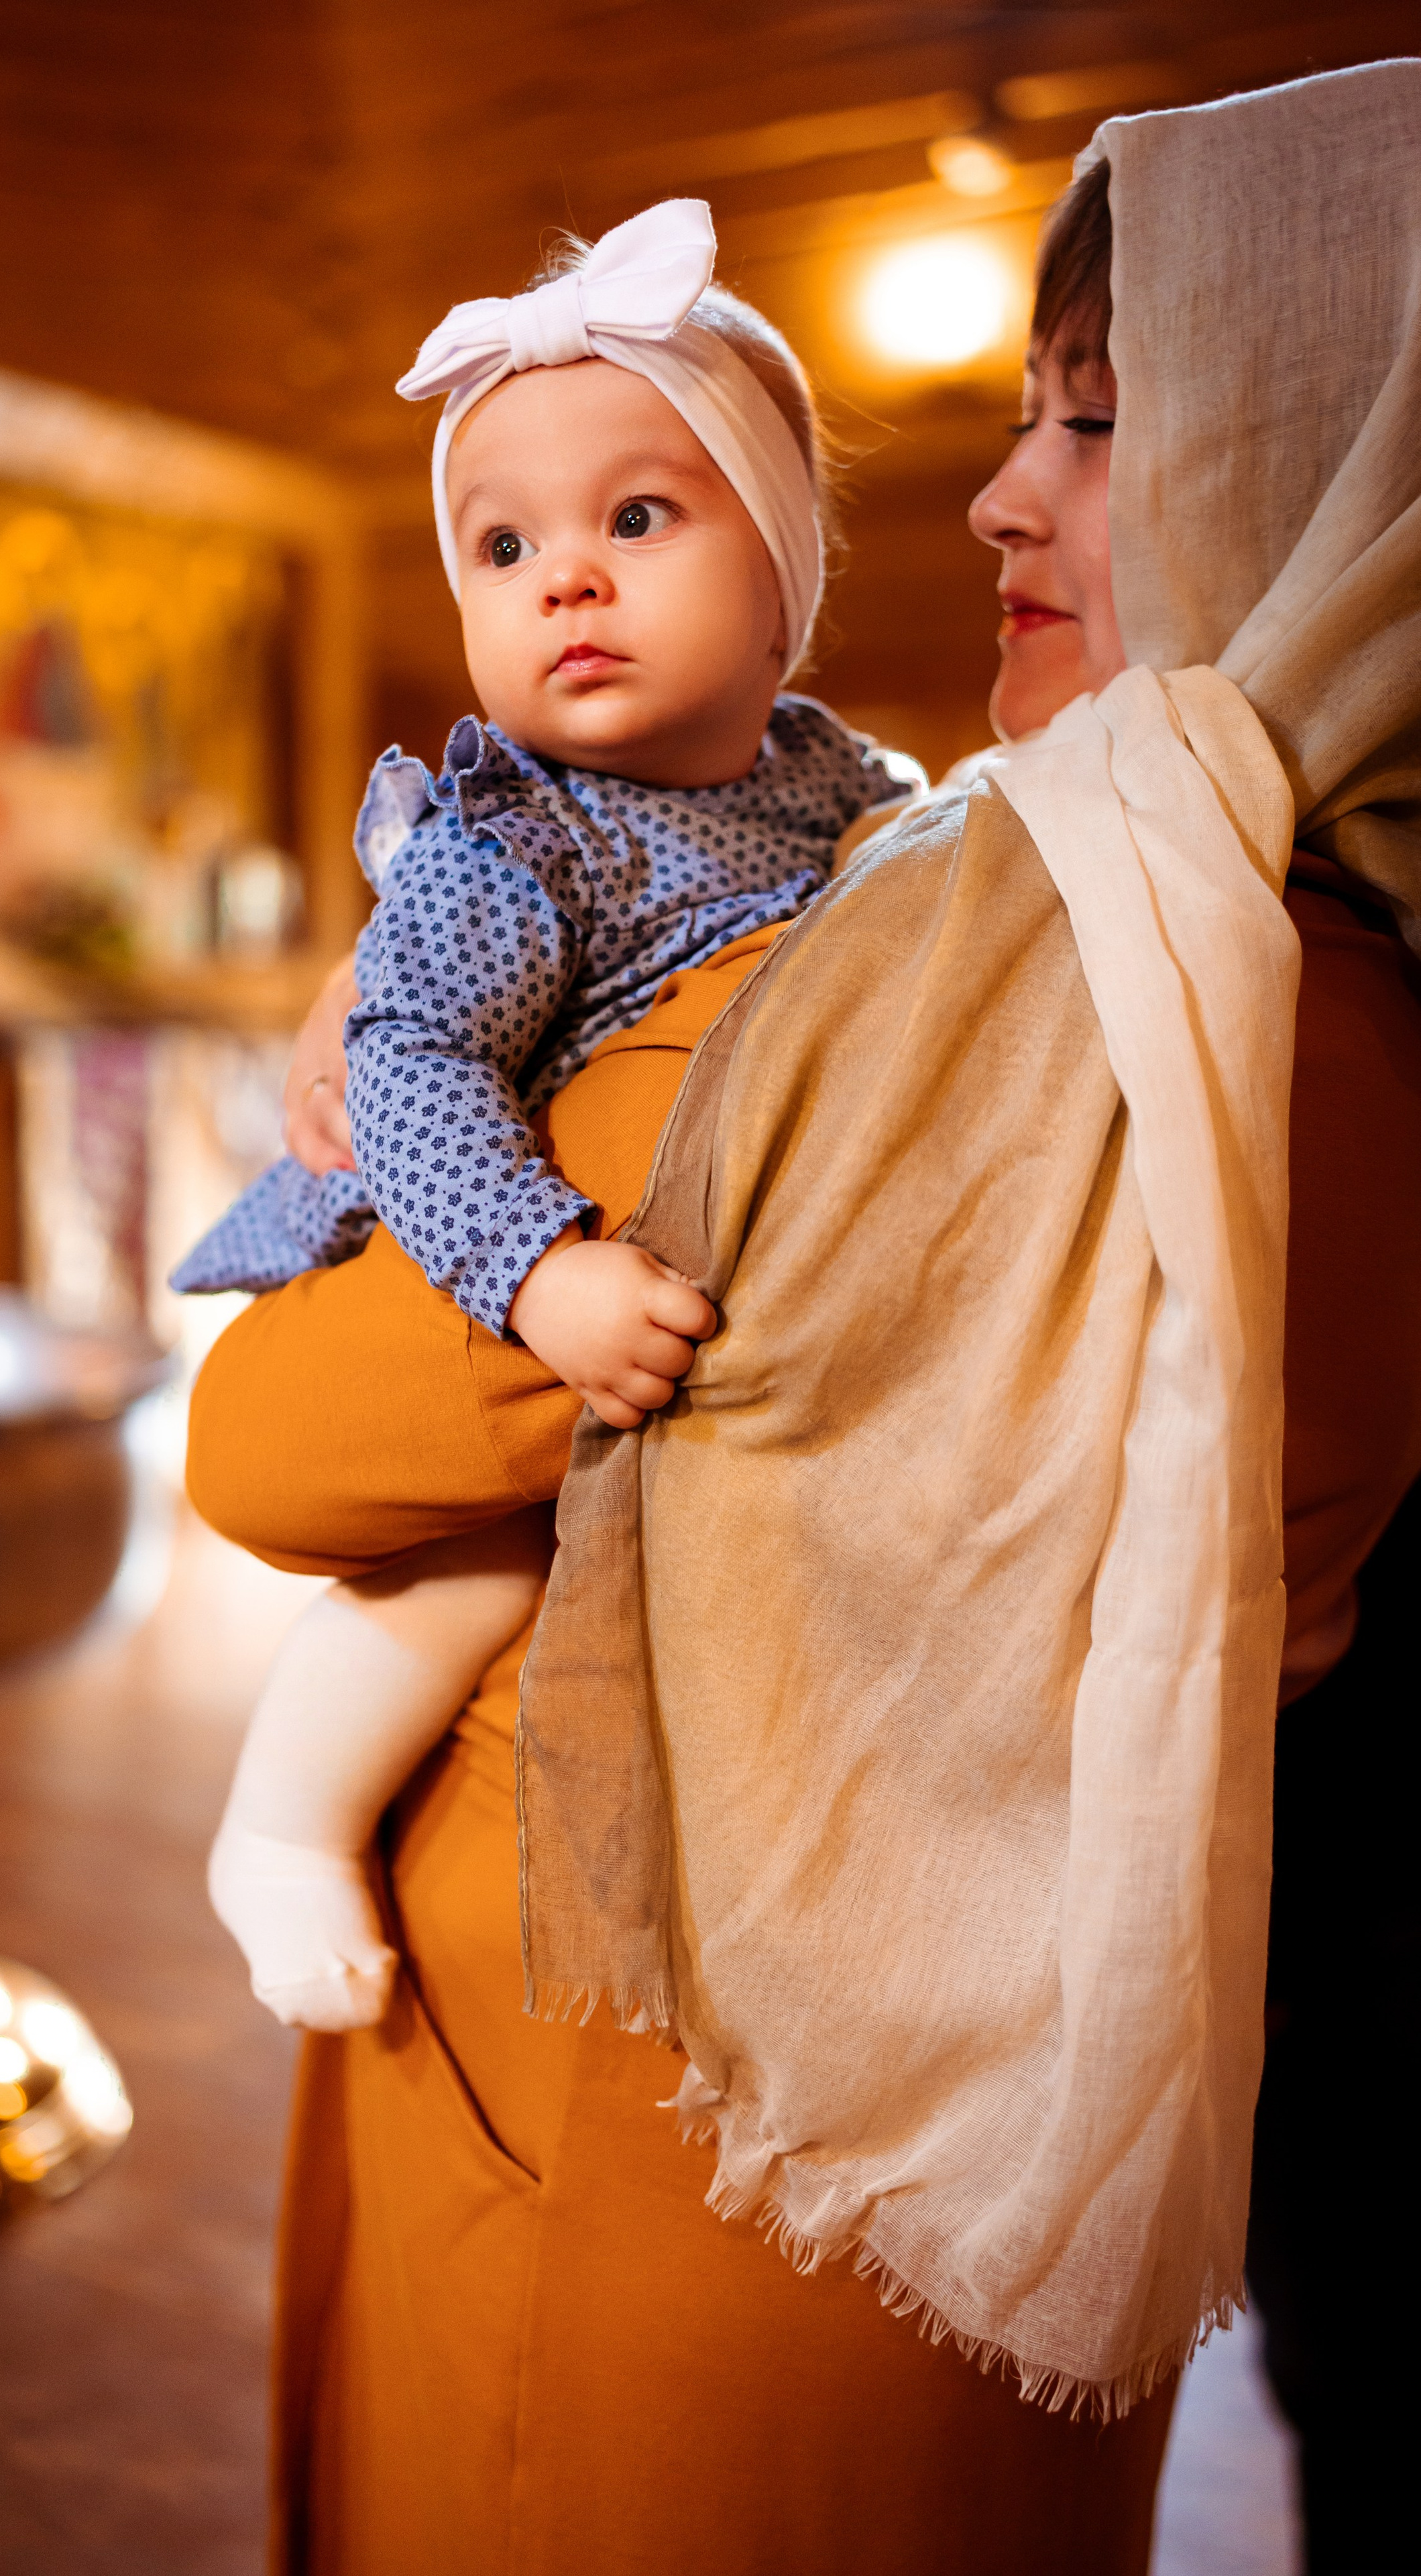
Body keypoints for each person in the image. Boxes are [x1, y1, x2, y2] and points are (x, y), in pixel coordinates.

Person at [187, 60, 1421, 2575]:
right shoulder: (1304, 949)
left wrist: (468, 1150)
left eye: (1098, 423)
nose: (1002, 493)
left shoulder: (1062, 989)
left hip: (677, 2126)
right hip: (977, 2133)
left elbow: (270, 1453)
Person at [180, 202, 902, 2031]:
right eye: (504, 547)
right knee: (479, 1552)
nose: (563, 578)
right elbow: (412, 1075)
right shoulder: (519, 847)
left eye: (635, 519)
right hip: (446, 1215)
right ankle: (281, 1815)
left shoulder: (834, 782)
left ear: (786, 575)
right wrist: (544, 1272)